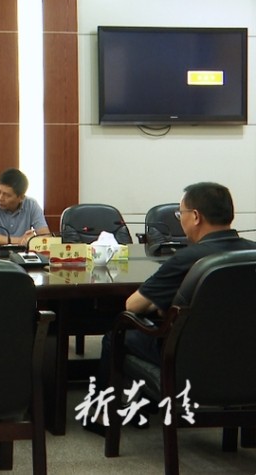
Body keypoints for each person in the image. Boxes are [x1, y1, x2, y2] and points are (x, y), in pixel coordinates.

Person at [87, 182, 256, 434]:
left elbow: (133, 305)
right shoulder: (252, 251)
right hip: (244, 358)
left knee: (116, 336)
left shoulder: (188, 258)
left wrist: (163, 306)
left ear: (196, 216)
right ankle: (144, 404)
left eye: (181, 214)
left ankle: (101, 415)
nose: (180, 220)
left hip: (189, 359)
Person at [0, 167, 50, 246]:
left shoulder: (32, 205)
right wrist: (20, 240)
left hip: (23, 251)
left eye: (7, 195)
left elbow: (46, 237)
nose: (0, 198)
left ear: (21, 198)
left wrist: (32, 239)